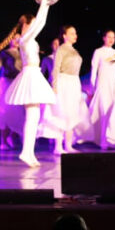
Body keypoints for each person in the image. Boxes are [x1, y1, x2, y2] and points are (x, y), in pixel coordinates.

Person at [4, 0, 58, 167]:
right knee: (32, 116)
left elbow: (41, 22)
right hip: (30, 75)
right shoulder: (25, 38)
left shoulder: (30, 39)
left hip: (34, 74)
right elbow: (40, 22)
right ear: (26, 25)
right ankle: (26, 152)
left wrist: (46, 4)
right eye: (32, 24)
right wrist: (44, 2)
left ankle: (28, 152)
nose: (35, 26)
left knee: (34, 116)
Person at [40, 26, 89, 154]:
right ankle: (58, 146)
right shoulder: (61, 49)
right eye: (72, 33)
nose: (75, 35)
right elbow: (55, 69)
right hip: (64, 82)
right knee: (61, 113)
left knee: (72, 113)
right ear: (64, 36)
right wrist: (55, 85)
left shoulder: (74, 50)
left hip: (74, 83)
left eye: (75, 33)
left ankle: (68, 145)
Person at [87, 31, 115, 149]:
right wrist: (92, 87)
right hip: (103, 85)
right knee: (103, 111)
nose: (111, 39)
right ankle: (102, 139)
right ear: (104, 38)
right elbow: (94, 70)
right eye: (109, 37)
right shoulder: (98, 52)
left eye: (113, 37)